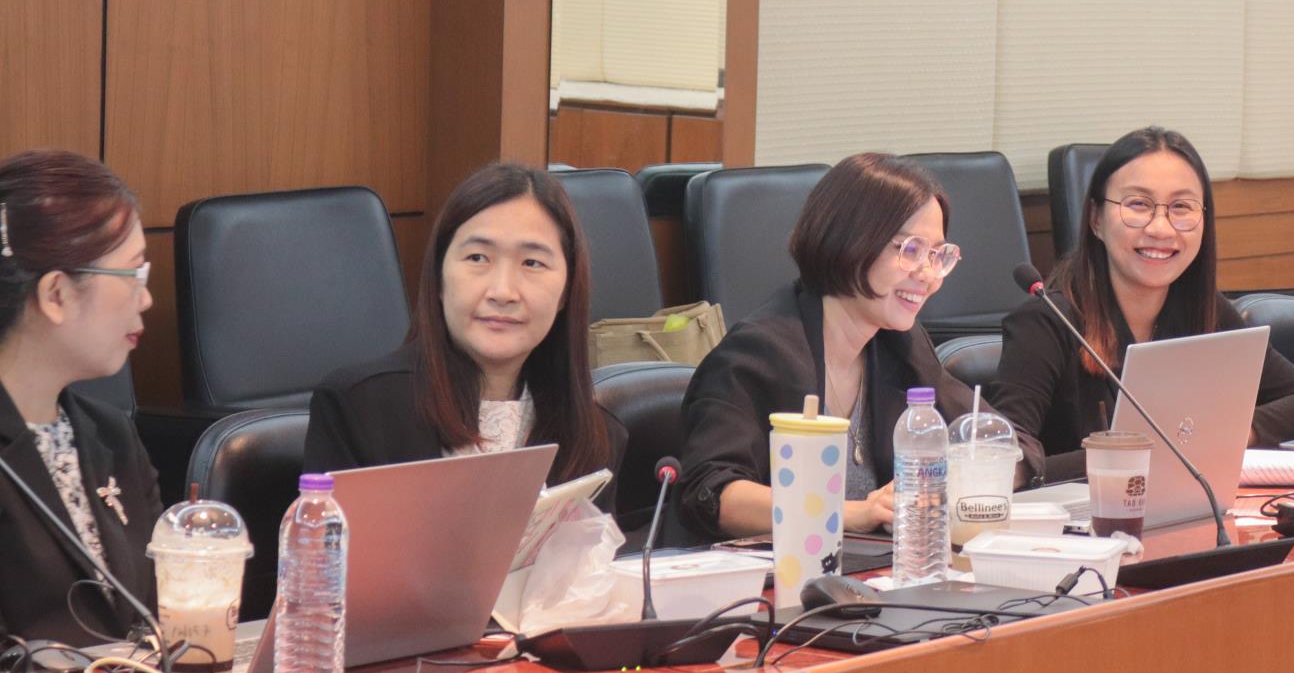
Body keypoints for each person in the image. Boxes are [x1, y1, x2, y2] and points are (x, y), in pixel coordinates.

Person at [679, 153, 1040, 542]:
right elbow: (713, 494)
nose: (927, 276)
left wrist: (956, 479)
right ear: (850, 242)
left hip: (874, 568)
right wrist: (851, 513)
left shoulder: (899, 344)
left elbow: (1015, 446)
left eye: (937, 255)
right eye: (911, 250)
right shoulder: (759, 352)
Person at [989, 128, 1294, 482]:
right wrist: (1134, 454)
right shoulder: (1046, 323)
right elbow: (1003, 460)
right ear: (1096, 219)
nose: (1161, 228)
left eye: (1181, 207)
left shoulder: (1205, 310)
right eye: (1138, 205)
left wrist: (1227, 434)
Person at [306, 162, 623, 505]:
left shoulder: (596, 436)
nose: (502, 292)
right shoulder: (359, 408)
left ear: (566, 292)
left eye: (532, 263)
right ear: (439, 279)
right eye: (477, 258)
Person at [0, 150, 164, 644]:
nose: (147, 298)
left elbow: (157, 615)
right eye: (133, 275)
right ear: (56, 295)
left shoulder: (111, 435)